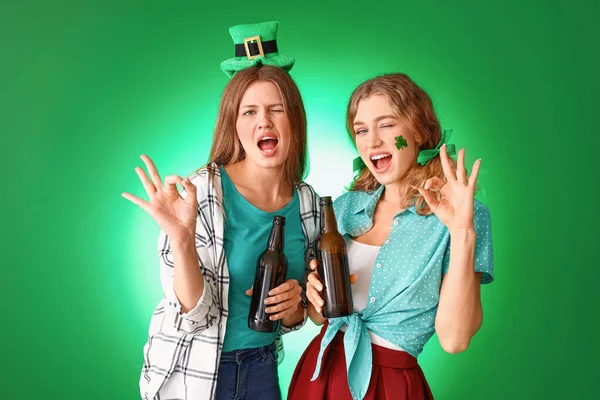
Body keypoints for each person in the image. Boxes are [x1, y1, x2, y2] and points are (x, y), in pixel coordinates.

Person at [122, 21, 319, 400]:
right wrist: (181, 241)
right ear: (234, 124)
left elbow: (296, 317)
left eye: (276, 109)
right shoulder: (203, 193)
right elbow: (193, 316)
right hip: (194, 372)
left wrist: (296, 304)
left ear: (294, 120)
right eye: (249, 112)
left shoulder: (308, 203)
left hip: (262, 367)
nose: (264, 121)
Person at [288, 73, 494, 400]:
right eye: (361, 130)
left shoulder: (465, 215)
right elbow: (317, 317)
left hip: (390, 385)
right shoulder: (343, 208)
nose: (372, 142)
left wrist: (462, 232)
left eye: (386, 125)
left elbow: (455, 340)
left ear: (419, 131)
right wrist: (314, 295)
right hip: (320, 374)